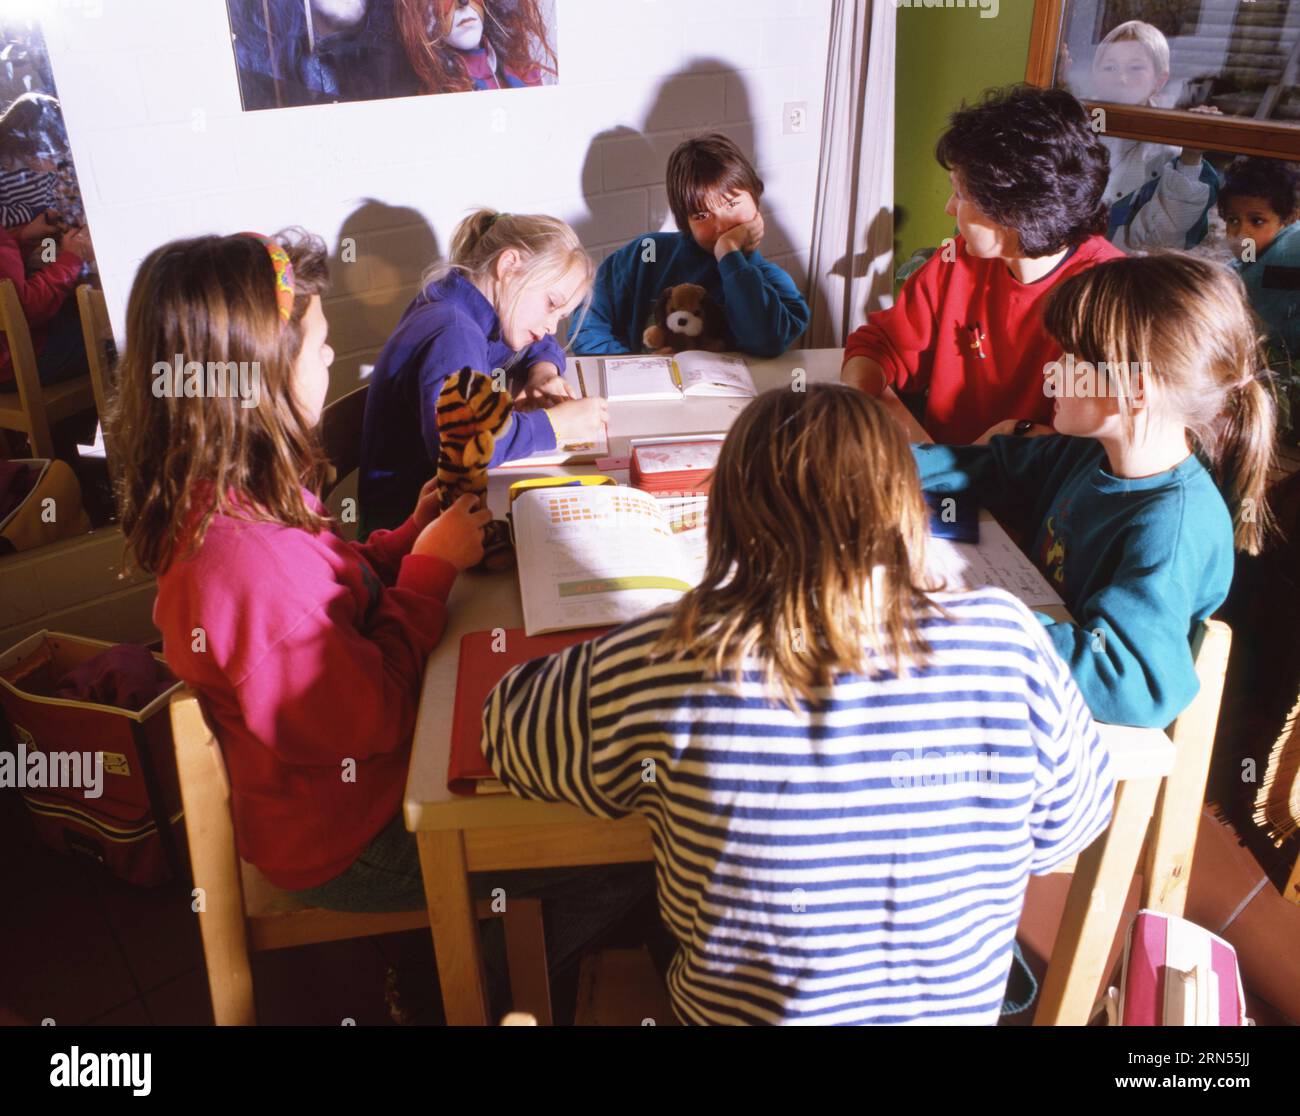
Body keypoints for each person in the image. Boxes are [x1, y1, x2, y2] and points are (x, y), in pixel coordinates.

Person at [111, 228, 649, 990]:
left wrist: (400, 544)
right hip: (348, 837)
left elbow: (335, 585)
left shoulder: (240, 499)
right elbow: (373, 718)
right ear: (258, 372)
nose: (333, 359)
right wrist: (428, 573)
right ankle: (461, 987)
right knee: (616, 846)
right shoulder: (246, 560)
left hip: (344, 789)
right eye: (319, 345)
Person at [483, 383, 1114, 1025]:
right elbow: (1073, 824)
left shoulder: (672, 653)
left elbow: (508, 734)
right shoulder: (1009, 641)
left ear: (724, 516)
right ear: (904, 508)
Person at [913, 253, 1274, 729]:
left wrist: (983, 622)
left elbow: (1129, 680)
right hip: (1034, 688)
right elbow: (981, 469)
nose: (1051, 372)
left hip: (1080, 750)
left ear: (1136, 389)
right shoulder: (1090, 454)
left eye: (1071, 359)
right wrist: (864, 472)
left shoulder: (1172, 525)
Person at [842, 85, 1121, 444]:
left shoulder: (1108, 297)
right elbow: (882, 344)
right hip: (949, 475)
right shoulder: (958, 258)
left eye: (960, 194)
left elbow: (1086, 449)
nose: (949, 207)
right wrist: (851, 402)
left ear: (1013, 213)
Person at [358, 208, 605, 532]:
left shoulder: (462, 303)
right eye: (551, 304)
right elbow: (465, 447)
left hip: (436, 519)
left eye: (560, 318)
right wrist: (556, 425)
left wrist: (543, 373)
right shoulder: (452, 331)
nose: (549, 327)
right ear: (509, 266)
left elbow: (538, 344)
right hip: (406, 537)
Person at [571, 133, 810, 358]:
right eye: (702, 216)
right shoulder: (648, 254)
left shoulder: (774, 282)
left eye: (732, 204)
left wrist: (728, 253)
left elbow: (767, 342)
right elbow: (586, 326)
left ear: (756, 196)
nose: (722, 226)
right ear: (684, 221)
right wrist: (634, 366)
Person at [1088, 20, 1220, 252]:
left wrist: (1191, 155)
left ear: (1159, 80)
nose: (1121, 77)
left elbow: (1161, 236)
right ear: (1095, 75)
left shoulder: (1166, 152)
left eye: (1135, 67)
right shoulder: (1078, 130)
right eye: (1110, 67)